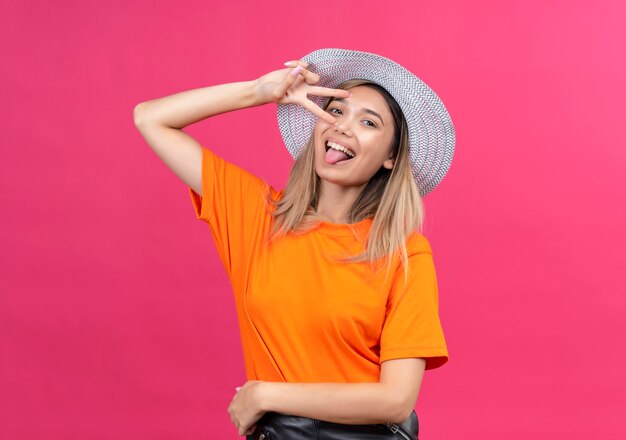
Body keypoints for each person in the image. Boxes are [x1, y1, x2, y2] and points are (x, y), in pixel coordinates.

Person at [134, 48, 455, 439]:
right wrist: (259, 91)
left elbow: (396, 401)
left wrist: (268, 394)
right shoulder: (257, 216)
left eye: (368, 122)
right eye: (336, 111)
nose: (342, 127)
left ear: (390, 156)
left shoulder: (404, 254)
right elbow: (150, 118)